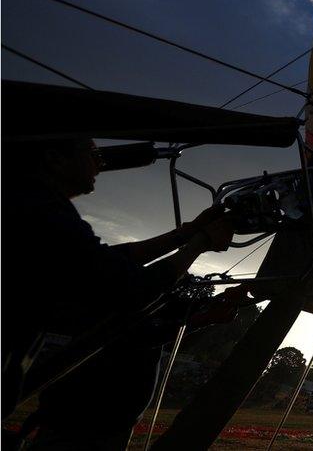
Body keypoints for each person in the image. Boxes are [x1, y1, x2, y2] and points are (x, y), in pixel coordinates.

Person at [1, 138, 235, 448]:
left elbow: (105, 261)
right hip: (84, 425)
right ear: (54, 158)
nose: (100, 162)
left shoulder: (28, 205)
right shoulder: (42, 211)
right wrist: (199, 244)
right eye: (92, 153)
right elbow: (130, 288)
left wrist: (187, 233)